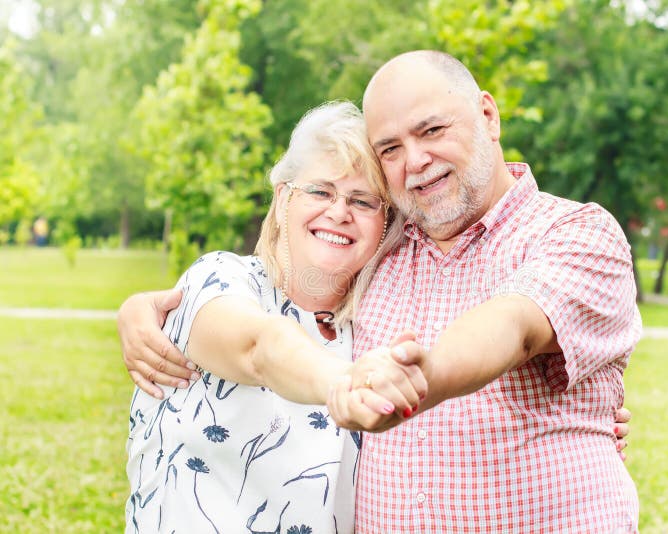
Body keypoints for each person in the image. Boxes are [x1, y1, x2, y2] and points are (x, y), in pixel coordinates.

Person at [119, 51, 639, 532]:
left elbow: (514, 328)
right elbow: (261, 330)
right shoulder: (372, 260)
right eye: (391, 148)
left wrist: (406, 384)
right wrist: (147, 309)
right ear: (283, 198)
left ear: (488, 115)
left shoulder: (572, 232)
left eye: (431, 129)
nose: (415, 161)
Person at [124, 101, 427, 534]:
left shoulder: (371, 328)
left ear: (385, 224)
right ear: (284, 198)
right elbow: (259, 348)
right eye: (320, 192)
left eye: (362, 201)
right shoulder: (218, 278)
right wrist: (348, 384)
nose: (339, 211)